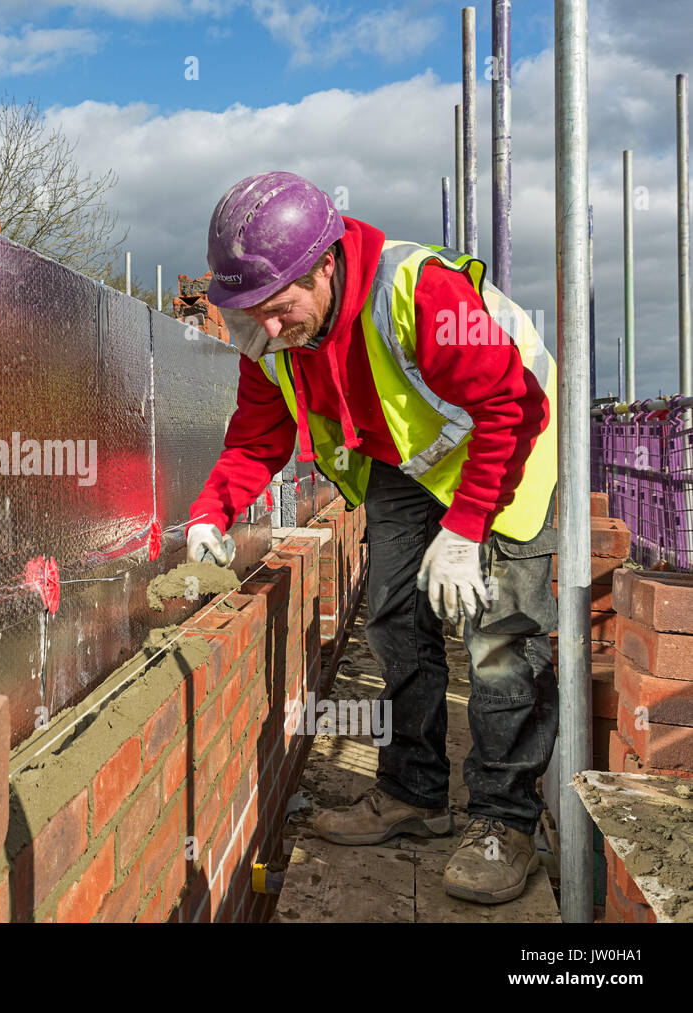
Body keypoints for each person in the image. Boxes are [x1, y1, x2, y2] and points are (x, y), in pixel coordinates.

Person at [186, 170, 558, 905]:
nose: (267, 326)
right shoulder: (271, 334)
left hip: (507, 443)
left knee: (500, 639)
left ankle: (501, 820)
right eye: (250, 310)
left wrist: (464, 529)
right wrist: (211, 513)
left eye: (278, 306)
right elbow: (259, 436)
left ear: (324, 265)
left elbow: (510, 405)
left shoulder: (417, 293)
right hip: (403, 458)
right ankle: (415, 794)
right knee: (392, 613)